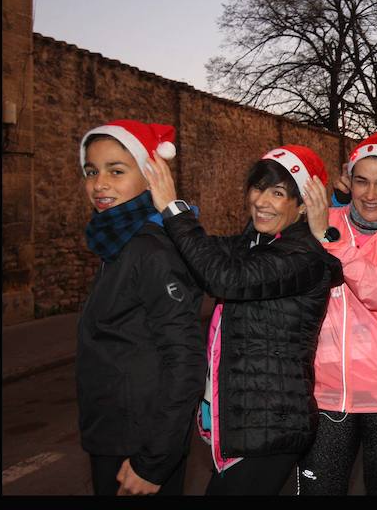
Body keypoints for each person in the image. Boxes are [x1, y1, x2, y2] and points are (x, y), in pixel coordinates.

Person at [143, 143, 341, 495]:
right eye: (258, 187)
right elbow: (199, 253)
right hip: (247, 421)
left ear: (301, 207)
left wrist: (174, 210)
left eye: (278, 192)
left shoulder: (302, 256)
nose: (262, 201)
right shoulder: (254, 244)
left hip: (270, 425)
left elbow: (224, 278)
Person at [296, 133, 377, 495]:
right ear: (348, 179)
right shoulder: (327, 219)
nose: (371, 195)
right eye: (362, 181)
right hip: (325, 392)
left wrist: (328, 236)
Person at [77, 119, 205, 495]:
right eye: (91, 171)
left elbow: (185, 362)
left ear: (151, 176)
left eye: (116, 171)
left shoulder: (150, 249)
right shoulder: (116, 242)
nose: (99, 183)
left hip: (139, 445)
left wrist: (153, 463)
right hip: (113, 434)